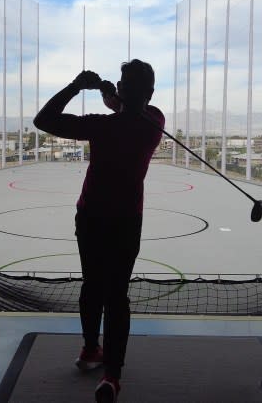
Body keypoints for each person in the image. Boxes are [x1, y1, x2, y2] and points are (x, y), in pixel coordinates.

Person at [33, 59, 164, 403]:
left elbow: (43, 119)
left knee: (93, 284)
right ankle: (111, 376)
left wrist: (78, 85)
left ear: (121, 89)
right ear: (150, 93)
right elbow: (131, 107)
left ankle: (92, 348)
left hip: (91, 215)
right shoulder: (155, 122)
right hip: (127, 219)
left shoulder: (101, 127)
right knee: (116, 295)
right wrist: (116, 93)